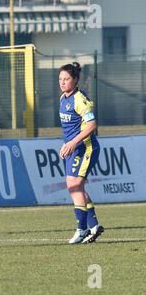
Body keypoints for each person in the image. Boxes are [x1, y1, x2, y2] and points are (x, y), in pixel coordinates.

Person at [58, 62, 104, 244]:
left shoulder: (79, 99)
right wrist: (68, 144)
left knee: (74, 186)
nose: (62, 82)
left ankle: (81, 229)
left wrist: (72, 142)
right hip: (73, 149)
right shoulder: (63, 98)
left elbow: (92, 124)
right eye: (60, 79)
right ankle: (93, 225)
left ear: (75, 80)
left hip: (86, 148)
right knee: (76, 187)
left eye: (66, 79)